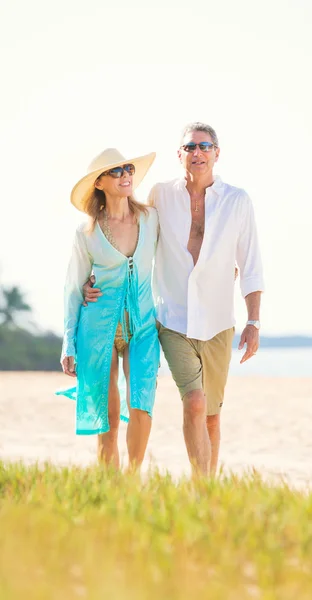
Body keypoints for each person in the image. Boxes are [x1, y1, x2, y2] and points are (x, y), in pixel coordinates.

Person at [84, 123, 265, 476]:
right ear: (179, 155)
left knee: (212, 415)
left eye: (205, 146)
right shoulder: (160, 195)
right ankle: (201, 485)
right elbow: (130, 234)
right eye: (190, 147)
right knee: (195, 403)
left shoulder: (237, 201)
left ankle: (205, 492)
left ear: (217, 153)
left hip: (218, 322)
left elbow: (251, 265)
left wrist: (254, 321)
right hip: (173, 319)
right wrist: (97, 275)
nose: (197, 153)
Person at [57, 148, 160, 471]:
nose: (126, 175)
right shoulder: (86, 232)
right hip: (97, 330)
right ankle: (111, 488)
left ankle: (131, 479)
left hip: (143, 327)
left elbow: (179, 256)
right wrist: (68, 342)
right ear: (99, 183)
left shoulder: (151, 218)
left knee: (142, 403)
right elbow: (74, 287)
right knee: (108, 418)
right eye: (116, 172)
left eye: (128, 169)